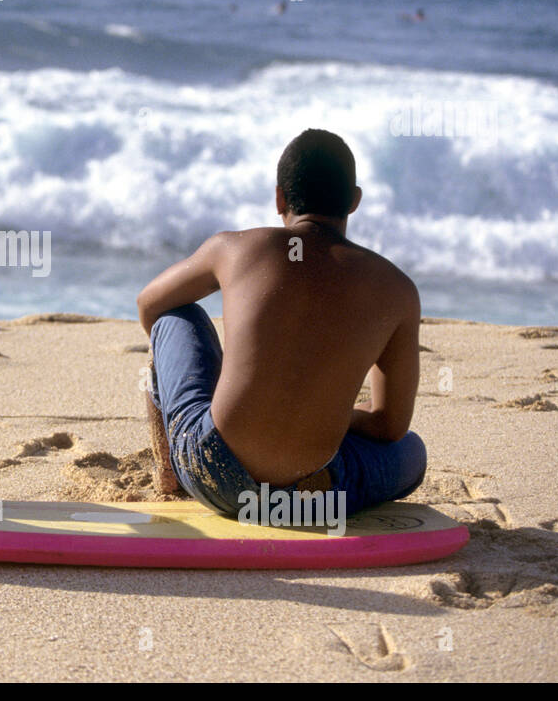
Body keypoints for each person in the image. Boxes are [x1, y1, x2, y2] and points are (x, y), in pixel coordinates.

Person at [137, 128, 426, 518]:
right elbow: (389, 426)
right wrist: (330, 411)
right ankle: (306, 485)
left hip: (212, 473)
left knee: (176, 313)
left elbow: (149, 305)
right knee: (411, 451)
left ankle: (170, 473)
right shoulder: (397, 289)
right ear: (354, 201)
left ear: (279, 198)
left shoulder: (236, 248)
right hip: (311, 492)